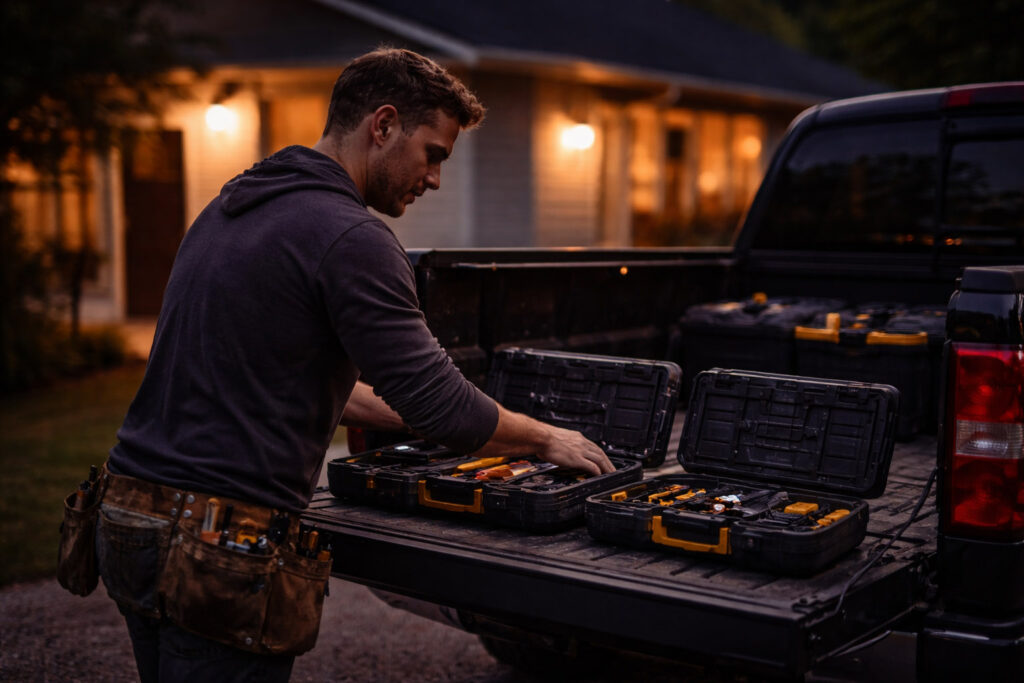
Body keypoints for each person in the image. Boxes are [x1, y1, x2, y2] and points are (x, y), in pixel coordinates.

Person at [93, 47, 614, 682]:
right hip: (218, 543)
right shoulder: (351, 237)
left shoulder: (234, 205)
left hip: (129, 517)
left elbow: (291, 376)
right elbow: (438, 404)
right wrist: (545, 437)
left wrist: (425, 412)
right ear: (384, 125)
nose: (435, 179)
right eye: (434, 154)